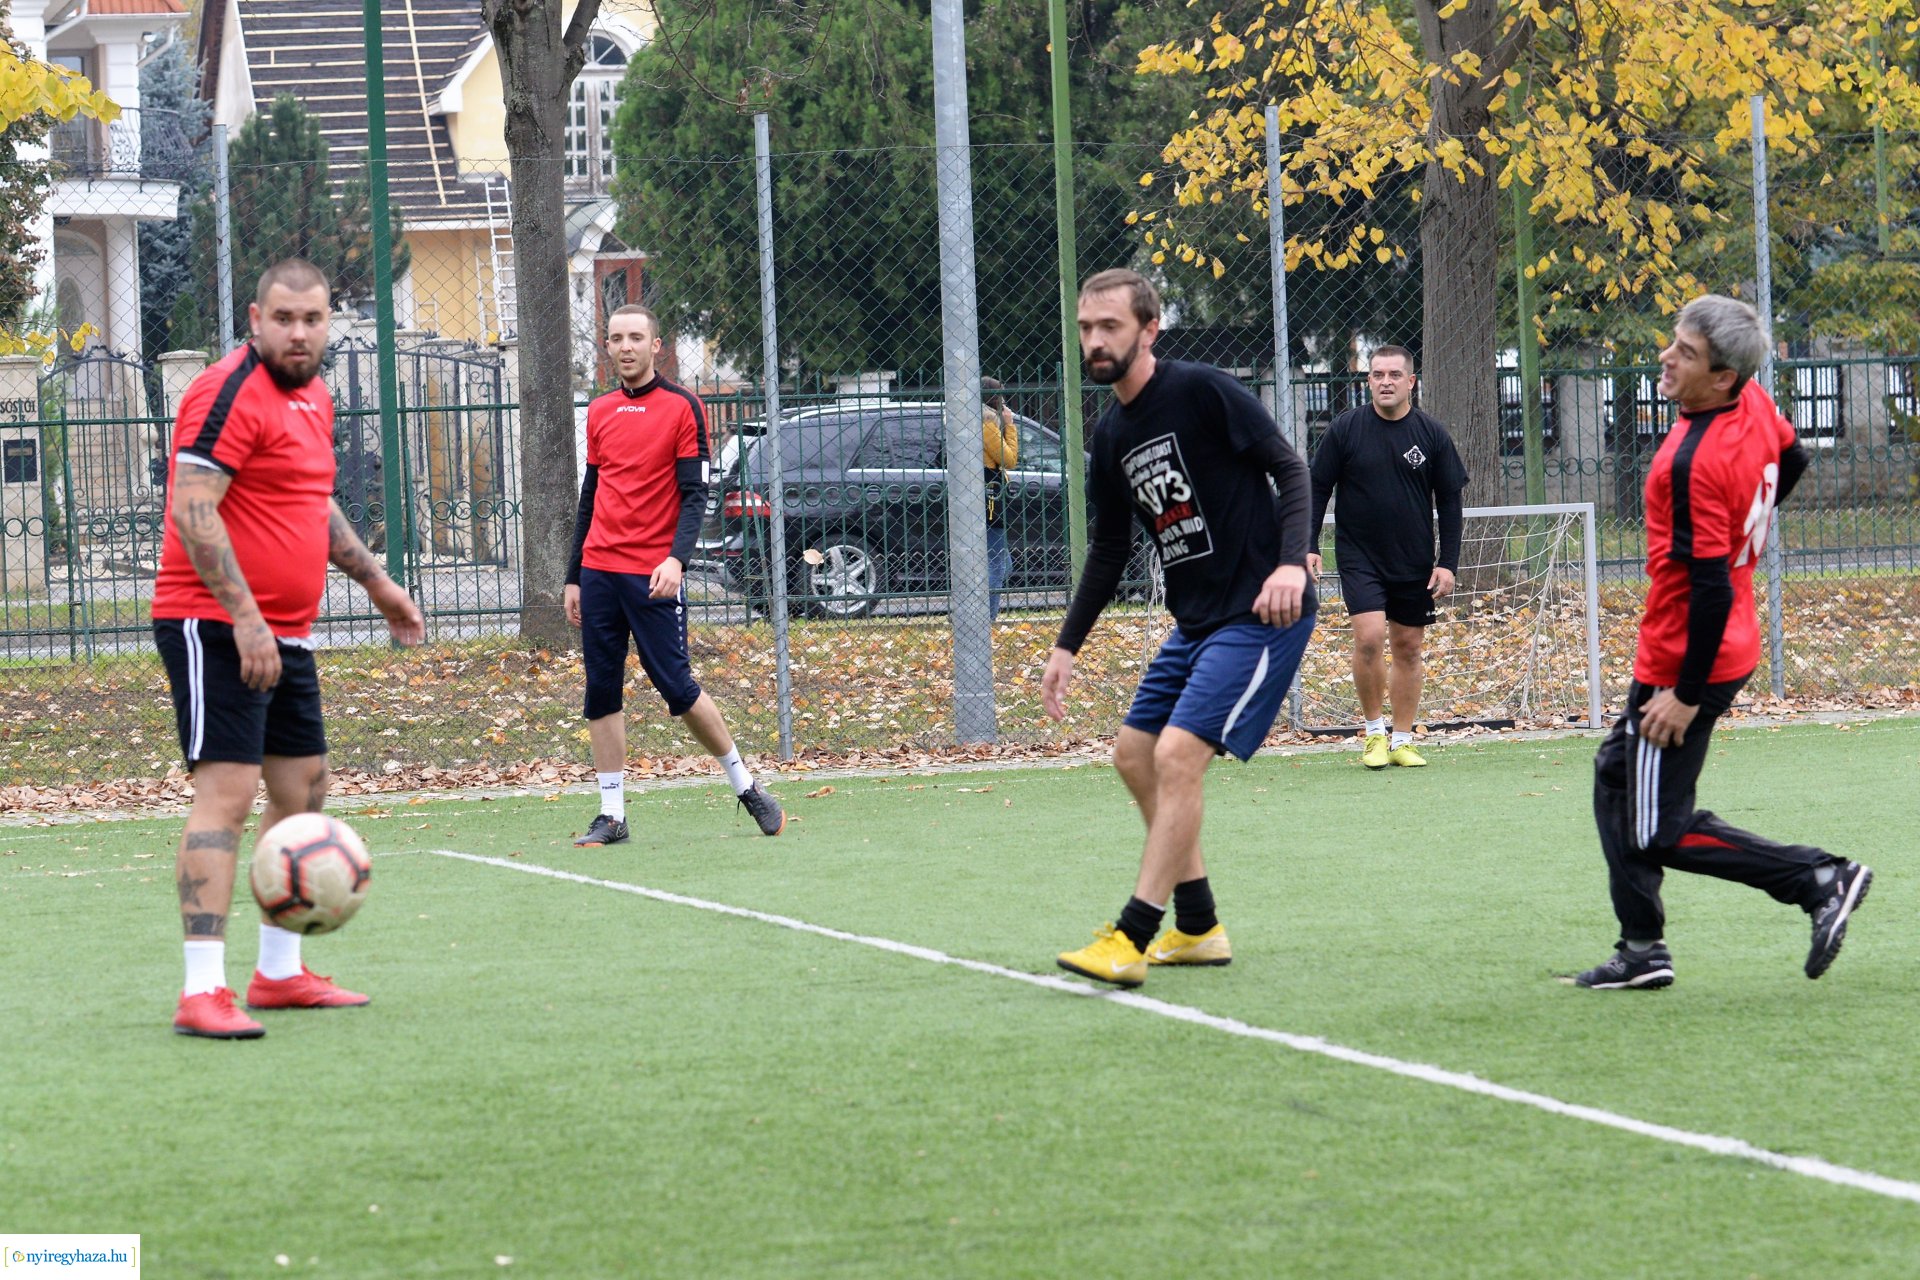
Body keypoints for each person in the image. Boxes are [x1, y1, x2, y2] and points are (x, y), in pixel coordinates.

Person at [154, 258, 425, 1040]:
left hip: (286, 630)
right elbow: (194, 507)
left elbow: (313, 502)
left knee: (303, 788)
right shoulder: (226, 390)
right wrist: (243, 620)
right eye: (285, 319)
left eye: (313, 320)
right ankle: (202, 989)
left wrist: (378, 583)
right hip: (213, 622)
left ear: (329, 321)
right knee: (228, 794)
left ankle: (278, 974)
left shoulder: (314, 395)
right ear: (255, 318)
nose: (299, 333)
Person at [1574, 294, 1870, 991]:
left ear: (1723, 378)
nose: (1667, 358)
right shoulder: (1754, 402)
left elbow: (1707, 589)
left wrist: (1683, 694)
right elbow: (1791, 460)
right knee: (1617, 777)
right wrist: (1747, 535)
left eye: (1687, 354)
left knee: (1658, 830)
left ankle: (1818, 877)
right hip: (1722, 639)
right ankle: (1642, 949)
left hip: (1685, 656)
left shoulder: (1690, 463)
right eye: (1674, 342)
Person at [1041, 269, 1316, 987]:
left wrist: (1292, 566)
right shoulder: (1112, 434)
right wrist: (1067, 645)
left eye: (1109, 327)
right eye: (1085, 328)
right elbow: (1108, 549)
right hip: (1196, 623)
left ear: (1149, 330)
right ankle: (1197, 927)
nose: (1094, 341)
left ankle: (1134, 935)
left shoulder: (1202, 390)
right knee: (1134, 755)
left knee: (1177, 757)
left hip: (1262, 611)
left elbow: (1290, 469)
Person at [565, 304, 784, 846]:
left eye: (636, 337)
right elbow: (590, 497)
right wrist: (574, 574)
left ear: (656, 345)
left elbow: (695, 496)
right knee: (601, 688)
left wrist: (675, 559)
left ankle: (747, 786)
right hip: (599, 571)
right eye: (616, 338)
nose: (625, 347)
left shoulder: (683, 407)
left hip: (653, 573)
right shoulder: (599, 410)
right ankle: (612, 814)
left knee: (676, 686)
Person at [1307, 346, 1466, 769]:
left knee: (1409, 647)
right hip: (1360, 556)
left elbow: (1450, 502)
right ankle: (1374, 733)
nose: (1386, 381)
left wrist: (1447, 562)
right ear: (1369, 381)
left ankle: (1402, 739)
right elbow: (1317, 488)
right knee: (1370, 638)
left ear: (1411, 381)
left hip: (1413, 560)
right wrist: (1307, 545)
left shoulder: (1431, 434)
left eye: (1395, 374)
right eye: (1378, 374)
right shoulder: (1345, 429)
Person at [980, 377, 1020, 620]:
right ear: (993, 398)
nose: (1003, 401)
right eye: (1000, 396)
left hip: (987, 489)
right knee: (997, 563)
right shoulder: (986, 422)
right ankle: (988, 619)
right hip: (990, 492)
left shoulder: (972, 419)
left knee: (1004, 564)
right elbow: (1009, 459)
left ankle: (973, 610)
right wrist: (1010, 425)